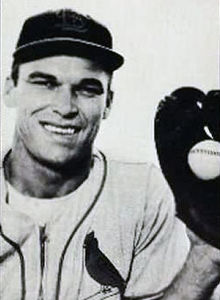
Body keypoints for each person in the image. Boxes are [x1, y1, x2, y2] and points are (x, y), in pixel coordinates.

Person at [0, 8, 219, 300]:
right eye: (45, 83)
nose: (65, 107)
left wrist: (207, 256)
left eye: (88, 89)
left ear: (109, 104)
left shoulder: (141, 193)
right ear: (11, 89)